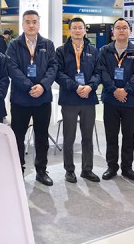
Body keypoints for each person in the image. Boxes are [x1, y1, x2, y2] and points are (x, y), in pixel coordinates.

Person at [6, 10, 58, 186]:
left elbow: (53, 67)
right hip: (21, 99)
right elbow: (12, 68)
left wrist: (42, 86)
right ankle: (18, 171)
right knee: (18, 137)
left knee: (41, 137)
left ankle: (41, 171)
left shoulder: (48, 44)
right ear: (22, 24)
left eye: (34, 22)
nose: (31, 25)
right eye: (27, 22)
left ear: (39, 24)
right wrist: (29, 86)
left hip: (42, 99)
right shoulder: (14, 45)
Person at [55, 17, 102, 183]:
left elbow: (98, 72)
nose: (77, 30)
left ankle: (87, 169)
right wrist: (75, 87)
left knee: (87, 137)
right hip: (69, 99)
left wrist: (90, 87)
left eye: (80, 28)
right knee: (69, 137)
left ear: (85, 30)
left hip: (88, 99)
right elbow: (58, 74)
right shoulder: (61, 51)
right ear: (69, 30)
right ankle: (69, 170)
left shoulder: (93, 50)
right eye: (74, 28)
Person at [98, 18, 134, 181]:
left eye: (125, 27)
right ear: (113, 31)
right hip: (110, 100)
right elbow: (102, 72)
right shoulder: (105, 50)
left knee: (128, 136)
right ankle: (111, 167)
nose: (121, 30)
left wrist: (126, 90)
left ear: (130, 31)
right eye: (118, 27)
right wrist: (114, 90)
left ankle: (127, 168)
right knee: (111, 135)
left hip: (130, 100)